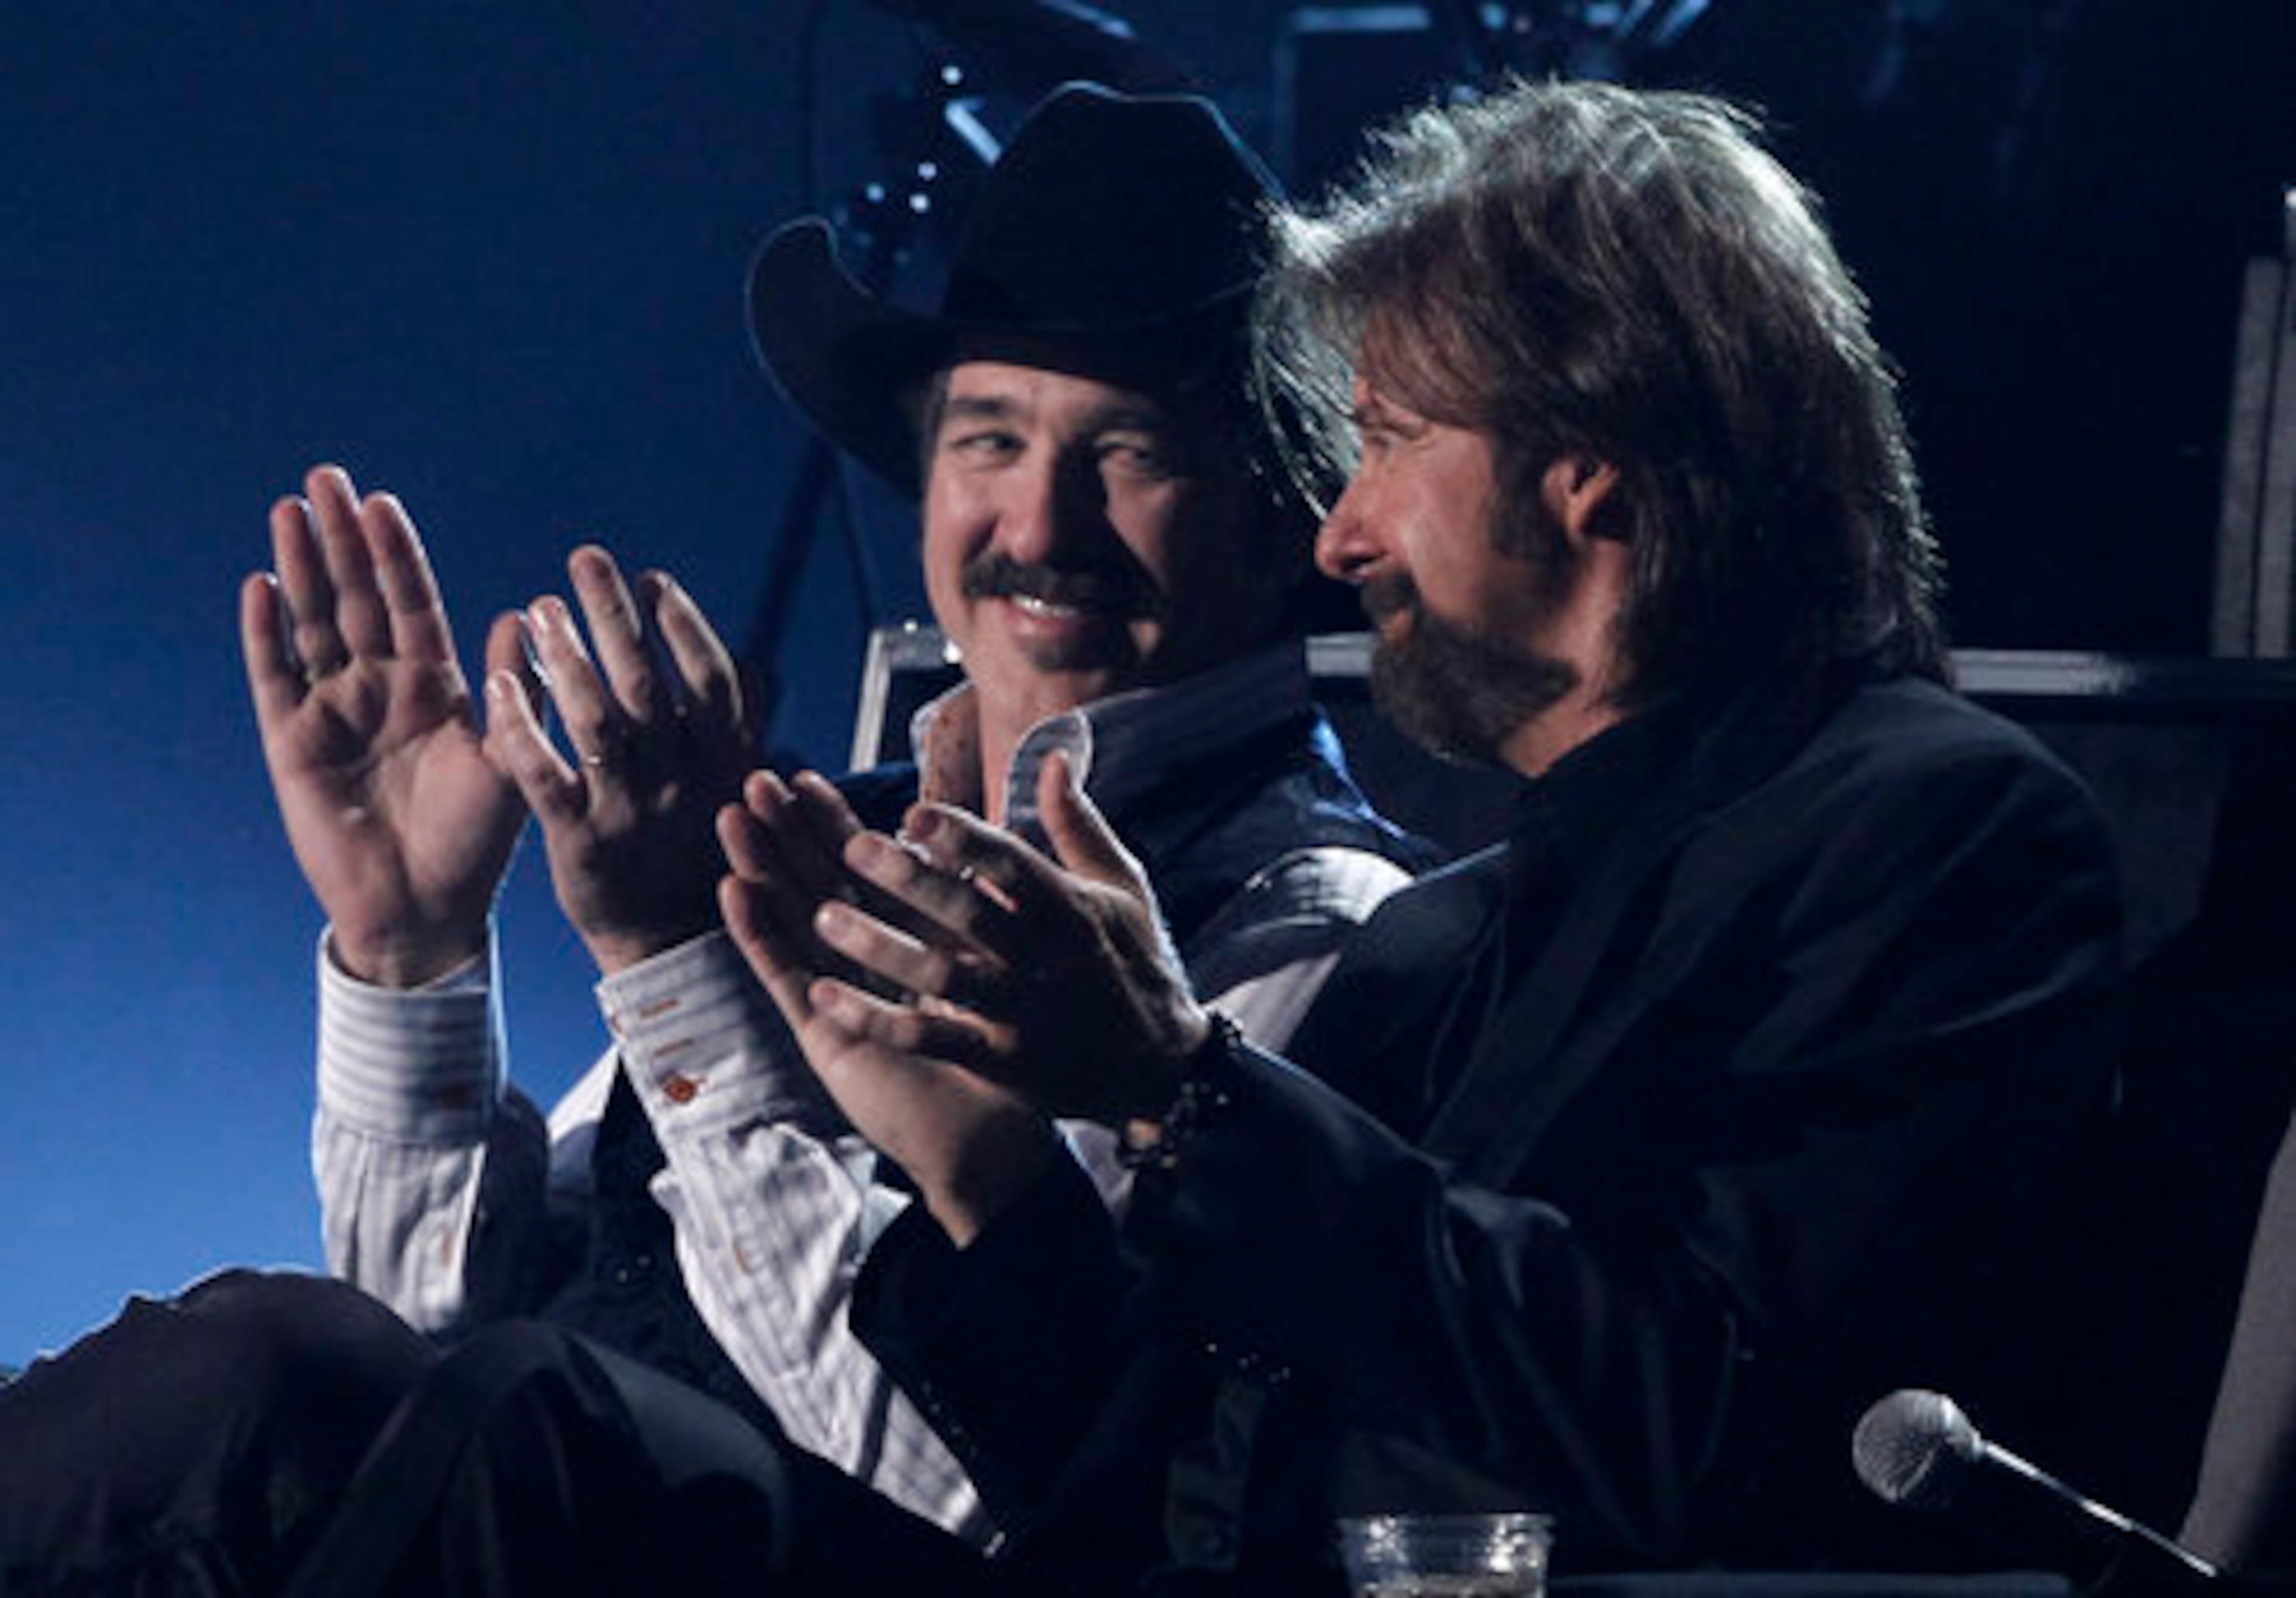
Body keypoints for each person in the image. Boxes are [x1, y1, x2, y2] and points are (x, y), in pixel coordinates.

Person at [0, 83, 1427, 1591]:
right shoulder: (824, 831)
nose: (1038, 521)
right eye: (989, 440)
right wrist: (412, 953)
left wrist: (678, 958)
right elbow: (435, 1373)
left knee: (272, 1365)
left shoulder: (1316, 917)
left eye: (1132, 453)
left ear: (1283, 518)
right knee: (272, 1371)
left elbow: (987, 1482)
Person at [707, 78, 2128, 1589]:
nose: (1341, 532)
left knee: (535, 1435)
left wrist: (1181, 1089)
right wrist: (979, 1165)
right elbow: (1149, 1496)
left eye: (1384, 439)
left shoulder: (1942, 832)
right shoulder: (1439, 939)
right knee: (526, 1423)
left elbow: (1731, 1421)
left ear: (1586, 461)